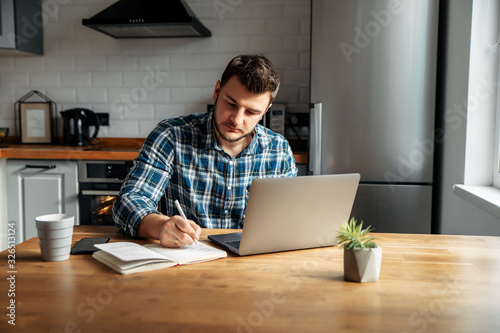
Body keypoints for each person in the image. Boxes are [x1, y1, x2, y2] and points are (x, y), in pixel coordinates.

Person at [113, 54, 298, 248]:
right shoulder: (171, 136)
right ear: (217, 91)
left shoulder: (279, 150)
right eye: (231, 104)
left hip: (253, 266)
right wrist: (160, 226)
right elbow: (128, 202)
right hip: (186, 261)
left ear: (265, 111)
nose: (236, 119)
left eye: (251, 112)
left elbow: (291, 219)